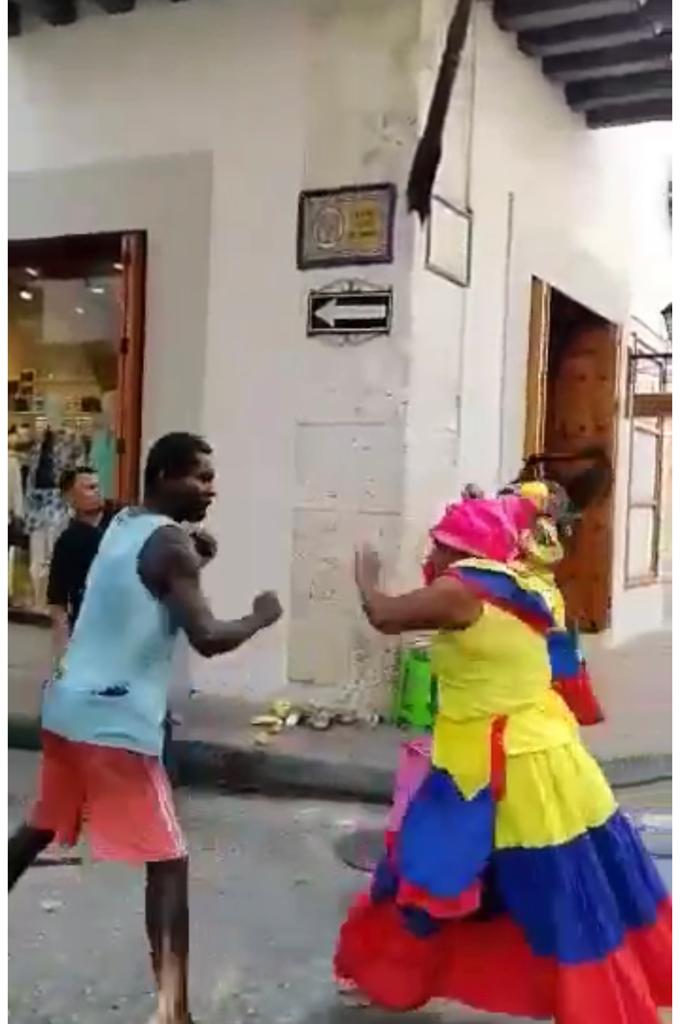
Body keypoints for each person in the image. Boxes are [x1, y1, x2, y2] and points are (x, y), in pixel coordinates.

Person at [334, 496, 671, 1023]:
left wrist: (365, 575)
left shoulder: (461, 591)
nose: (431, 554)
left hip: (506, 768)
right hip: (536, 755)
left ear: (458, 549)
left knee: (528, 885)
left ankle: (597, 1007)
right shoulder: (531, 584)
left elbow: (384, 615)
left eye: (438, 544)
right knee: (449, 873)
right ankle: (390, 976)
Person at [9, 432, 283, 1024]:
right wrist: (260, 616)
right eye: (200, 477)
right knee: (169, 859)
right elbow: (207, 636)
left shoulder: (125, 523)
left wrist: (193, 556)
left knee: (41, 825)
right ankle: (173, 1012)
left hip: (66, 709)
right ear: (164, 475)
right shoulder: (169, 548)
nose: (212, 489)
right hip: (113, 724)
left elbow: (141, 584)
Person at [47, 466, 117, 666]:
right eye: (89, 487)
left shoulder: (122, 520)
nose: (97, 491)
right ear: (70, 497)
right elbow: (57, 600)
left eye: (98, 486)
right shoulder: (68, 541)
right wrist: (62, 655)